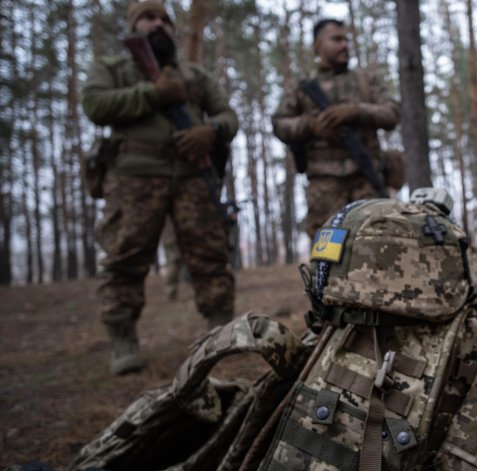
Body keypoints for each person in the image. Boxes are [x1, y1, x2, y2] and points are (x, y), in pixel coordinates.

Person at [82, 1, 238, 375]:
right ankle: (123, 339)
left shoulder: (195, 75)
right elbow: (94, 104)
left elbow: (227, 115)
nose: (159, 25)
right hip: (134, 176)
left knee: (209, 254)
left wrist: (209, 131)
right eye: (148, 18)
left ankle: (219, 332)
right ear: (133, 27)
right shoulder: (114, 68)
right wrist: (154, 94)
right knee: (125, 256)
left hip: (192, 177)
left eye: (166, 20)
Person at [271, 19, 400, 239]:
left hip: (367, 181)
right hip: (324, 188)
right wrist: (311, 125)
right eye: (337, 39)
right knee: (329, 258)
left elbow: (392, 113)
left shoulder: (365, 81)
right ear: (318, 45)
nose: (344, 45)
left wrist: (357, 111)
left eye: (346, 40)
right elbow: (279, 124)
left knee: (377, 250)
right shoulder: (302, 88)